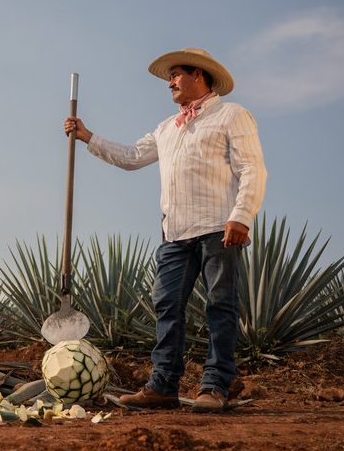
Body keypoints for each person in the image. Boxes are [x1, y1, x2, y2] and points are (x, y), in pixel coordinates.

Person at [64, 48, 266, 413]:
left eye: (175, 75)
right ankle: (163, 386)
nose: (169, 82)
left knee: (220, 306)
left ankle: (215, 386)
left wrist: (242, 216)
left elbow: (252, 168)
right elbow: (131, 156)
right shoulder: (166, 128)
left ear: (197, 74)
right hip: (175, 234)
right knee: (167, 305)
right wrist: (87, 136)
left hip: (219, 228)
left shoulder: (232, 115)